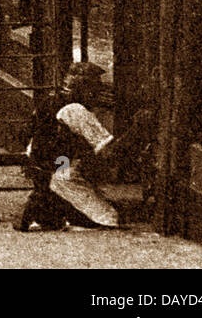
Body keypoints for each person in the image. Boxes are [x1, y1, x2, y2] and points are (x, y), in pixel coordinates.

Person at [17, 61, 152, 231]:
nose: (98, 93)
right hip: (60, 171)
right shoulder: (75, 110)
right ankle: (54, 203)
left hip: (47, 165)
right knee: (110, 218)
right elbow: (109, 154)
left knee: (69, 172)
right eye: (96, 88)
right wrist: (137, 129)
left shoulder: (51, 100)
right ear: (84, 87)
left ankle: (52, 203)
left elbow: (25, 136)